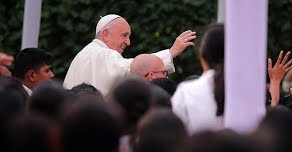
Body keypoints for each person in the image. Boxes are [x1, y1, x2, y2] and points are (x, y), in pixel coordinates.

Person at [63, 14, 196, 96]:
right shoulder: (103, 54)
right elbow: (136, 67)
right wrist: (171, 52)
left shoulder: (82, 54)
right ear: (106, 35)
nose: (128, 42)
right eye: (124, 35)